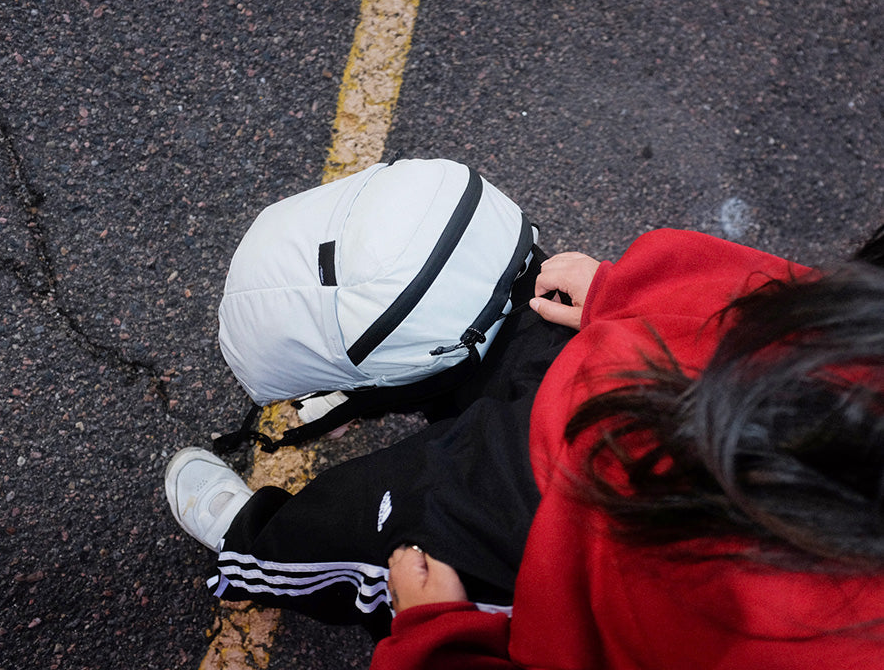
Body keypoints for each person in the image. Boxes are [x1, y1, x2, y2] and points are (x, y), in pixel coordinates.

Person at [166, 226, 884, 668]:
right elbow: (823, 310)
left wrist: (434, 643)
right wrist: (628, 290)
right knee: (494, 324)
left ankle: (254, 548)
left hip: (551, 546)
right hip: (634, 377)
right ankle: (407, 394)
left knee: (352, 529)